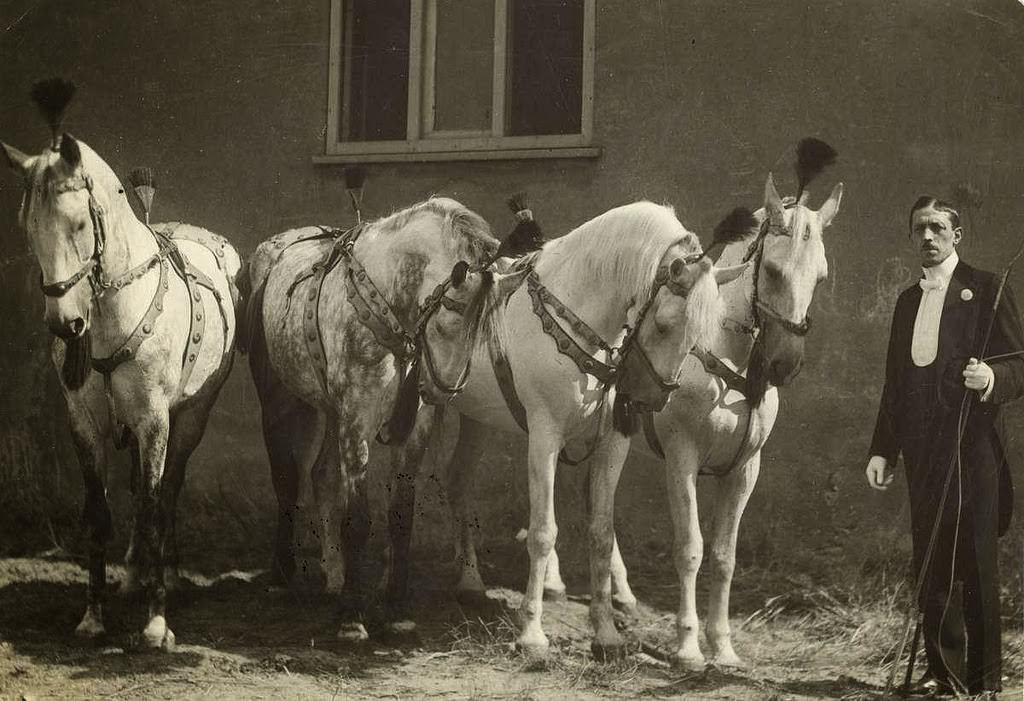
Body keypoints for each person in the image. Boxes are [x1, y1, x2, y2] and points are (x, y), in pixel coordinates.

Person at [866, 196, 1024, 696]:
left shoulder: (988, 290)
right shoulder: (907, 301)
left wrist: (991, 375)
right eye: (919, 229)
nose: (927, 237)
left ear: (957, 235)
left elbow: (1021, 365)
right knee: (932, 563)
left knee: (976, 561)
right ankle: (943, 673)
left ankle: (983, 680)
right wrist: (883, 450)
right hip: (923, 455)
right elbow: (895, 384)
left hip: (973, 449)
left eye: (937, 227)